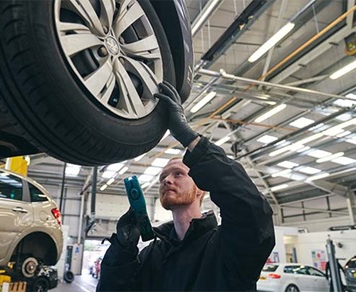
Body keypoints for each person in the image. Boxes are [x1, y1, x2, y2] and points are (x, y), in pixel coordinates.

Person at [96, 81, 275, 291]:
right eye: (163, 177)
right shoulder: (152, 255)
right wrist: (122, 251)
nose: (167, 180)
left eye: (178, 174)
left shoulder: (226, 247)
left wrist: (188, 137)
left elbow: (251, 210)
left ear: (201, 187)